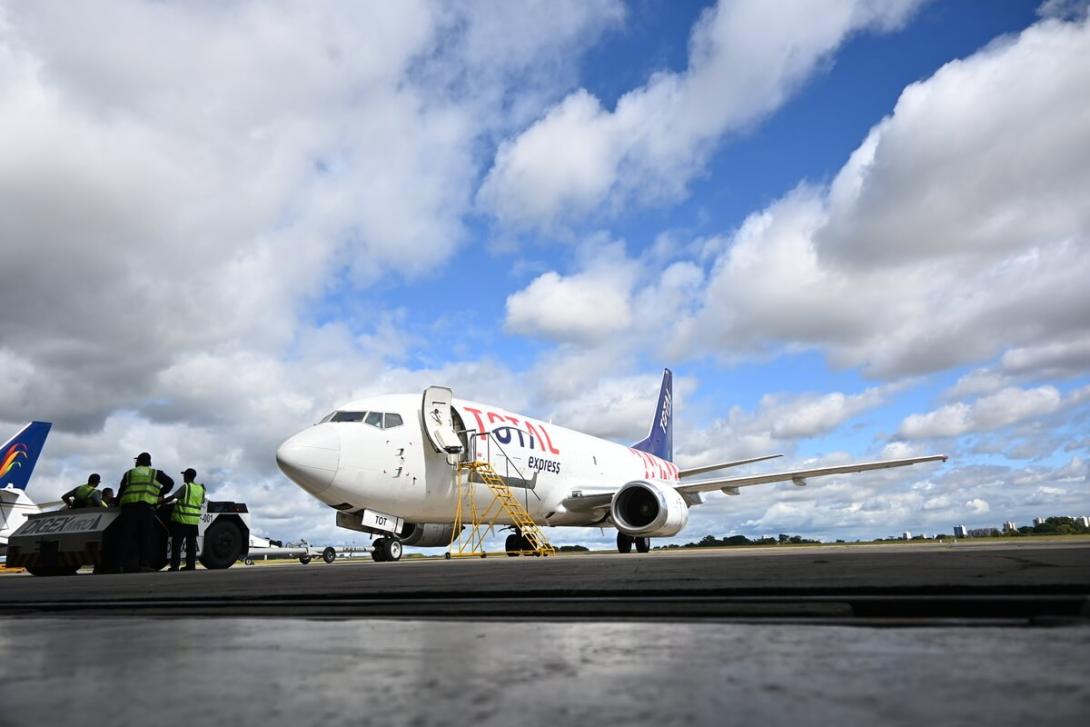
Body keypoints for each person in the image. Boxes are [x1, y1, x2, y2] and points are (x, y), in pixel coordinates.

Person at [116, 452, 173, 572]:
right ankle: (144, 564)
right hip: (146, 508)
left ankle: (120, 565)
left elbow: (121, 491)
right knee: (145, 536)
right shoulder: (156, 473)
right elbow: (170, 483)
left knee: (125, 536)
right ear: (149, 462)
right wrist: (158, 494)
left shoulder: (129, 473)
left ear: (138, 462)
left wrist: (116, 503)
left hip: (128, 507)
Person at [164, 468, 205, 571]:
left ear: (187, 476)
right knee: (191, 545)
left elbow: (172, 497)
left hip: (182, 521)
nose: (183, 477)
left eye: (184, 475)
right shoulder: (200, 489)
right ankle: (191, 565)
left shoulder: (186, 487)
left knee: (177, 544)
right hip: (194, 522)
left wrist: (159, 502)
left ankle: (175, 566)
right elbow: (201, 501)